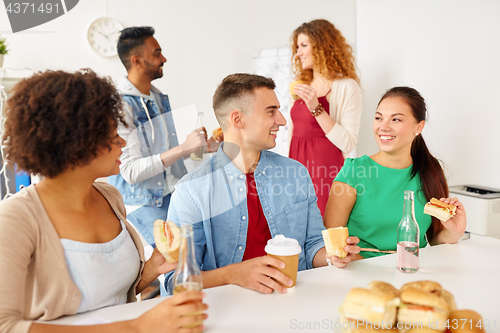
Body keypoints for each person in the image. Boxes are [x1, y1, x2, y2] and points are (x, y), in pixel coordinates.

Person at [0, 70, 207, 333]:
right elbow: (5, 326)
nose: (122, 142)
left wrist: (151, 268)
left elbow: (110, 297)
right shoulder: (15, 218)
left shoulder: (109, 197)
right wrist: (137, 327)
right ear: (76, 145)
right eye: (112, 136)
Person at [165, 73, 333, 295]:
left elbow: (312, 246)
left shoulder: (296, 173)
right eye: (271, 111)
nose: (282, 120)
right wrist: (233, 275)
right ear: (238, 119)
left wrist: (333, 255)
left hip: (293, 300)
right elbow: (176, 281)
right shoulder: (192, 191)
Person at [323, 86, 467, 267]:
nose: (383, 127)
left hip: (413, 269)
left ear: (419, 127)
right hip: (362, 271)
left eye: (396, 119)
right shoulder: (354, 171)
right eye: (378, 118)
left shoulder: (430, 170)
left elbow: (434, 239)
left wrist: (455, 231)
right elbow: (333, 243)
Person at [108, 26, 211, 245]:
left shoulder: (158, 98)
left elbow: (169, 155)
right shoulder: (120, 104)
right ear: (136, 61)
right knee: (175, 259)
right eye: (156, 54)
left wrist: (201, 148)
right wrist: (184, 148)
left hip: (170, 193)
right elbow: (130, 171)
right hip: (141, 202)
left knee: (201, 247)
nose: (163, 58)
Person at [288, 19, 363, 217]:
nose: (298, 53)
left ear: (322, 47)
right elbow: (293, 135)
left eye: (304, 45)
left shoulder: (346, 86)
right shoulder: (300, 86)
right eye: (297, 47)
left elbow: (348, 142)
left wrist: (316, 108)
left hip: (325, 170)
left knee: (324, 230)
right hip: (297, 169)